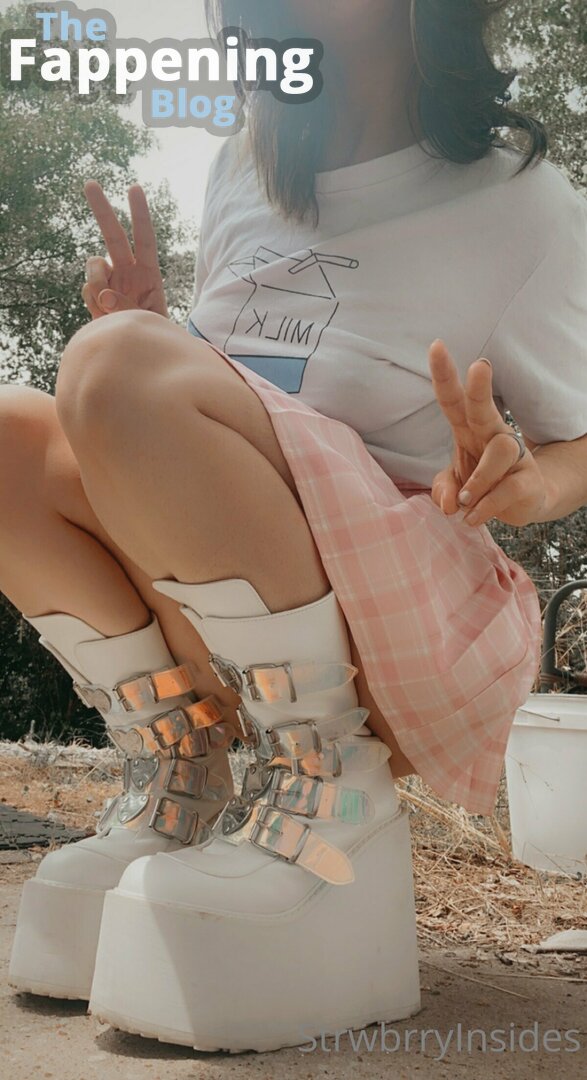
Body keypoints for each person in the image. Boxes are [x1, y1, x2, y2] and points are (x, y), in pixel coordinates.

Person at [6, 0, 587, 1053]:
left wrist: (524, 485)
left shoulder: (522, 201)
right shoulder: (244, 167)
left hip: (401, 636)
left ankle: (329, 797)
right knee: (12, 430)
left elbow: (576, 442)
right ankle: (182, 773)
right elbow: (255, 395)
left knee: (116, 364)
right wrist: (148, 341)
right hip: (246, 621)